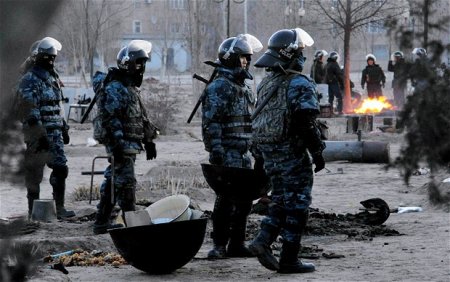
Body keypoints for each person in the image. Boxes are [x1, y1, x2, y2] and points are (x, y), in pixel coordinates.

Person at [248, 28, 326, 274]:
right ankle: (289, 258)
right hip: (292, 155)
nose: (303, 56)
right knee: (298, 205)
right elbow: (306, 121)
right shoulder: (299, 83)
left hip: (270, 154)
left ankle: (262, 240)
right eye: (301, 51)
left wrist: (260, 159)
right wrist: (317, 151)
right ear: (290, 54)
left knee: (280, 200)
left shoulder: (267, 82)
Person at [201, 34, 262, 259]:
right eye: (243, 58)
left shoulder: (243, 87)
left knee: (244, 202)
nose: (246, 62)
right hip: (227, 153)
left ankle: (237, 244)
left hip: (244, 153)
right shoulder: (220, 86)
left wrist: (255, 147)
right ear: (232, 59)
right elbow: (211, 121)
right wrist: (216, 150)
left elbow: (250, 121)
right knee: (225, 201)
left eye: (248, 58)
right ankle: (219, 245)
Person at [92, 40, 158, 235]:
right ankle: (131, 225)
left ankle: (101, 222)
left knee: (114, 181)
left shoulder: (129, 87)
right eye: (138, 63)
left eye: (143, 64)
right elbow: (111, 119)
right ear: (127, 64)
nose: (141, 68)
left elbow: (140, 116)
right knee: (126, 183)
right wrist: (118, 144)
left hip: (130, 143)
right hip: (121, 144)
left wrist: (148, 141)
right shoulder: (115, 88)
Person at [17, 37, 75, 219]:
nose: (51, 61)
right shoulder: (30, 79)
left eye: (53, 58)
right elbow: (30, 109)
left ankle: (60, 209)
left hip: (55, 133)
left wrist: (63, 127)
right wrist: (39, 134)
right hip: (38, 135)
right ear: (38, 57)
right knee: (34, 173)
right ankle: (33, 211)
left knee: (61, 169)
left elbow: (57, 105)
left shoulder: (53, 77)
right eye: (47, 57)